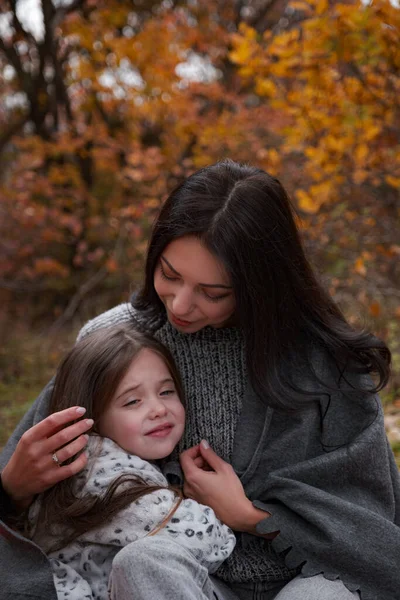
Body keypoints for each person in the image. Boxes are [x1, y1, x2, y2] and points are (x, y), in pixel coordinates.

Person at [1, 159, 399, 600]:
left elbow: (365, 521)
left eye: (213, 293)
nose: (181, 305)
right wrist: (13, 487)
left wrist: (251, 516)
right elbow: (48, 497)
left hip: (312, 578)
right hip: (193, 581)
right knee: (142, 561)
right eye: (169, 275)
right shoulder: (116, 340)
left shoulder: (323, 362)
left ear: (259, 286)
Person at [25, 324, 236, 600]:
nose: (158, 409)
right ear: (92, 416)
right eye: (133, 401)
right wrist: (222, 507)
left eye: (166, 392)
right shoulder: (105, 475)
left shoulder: (88, 463)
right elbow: (207, 541)